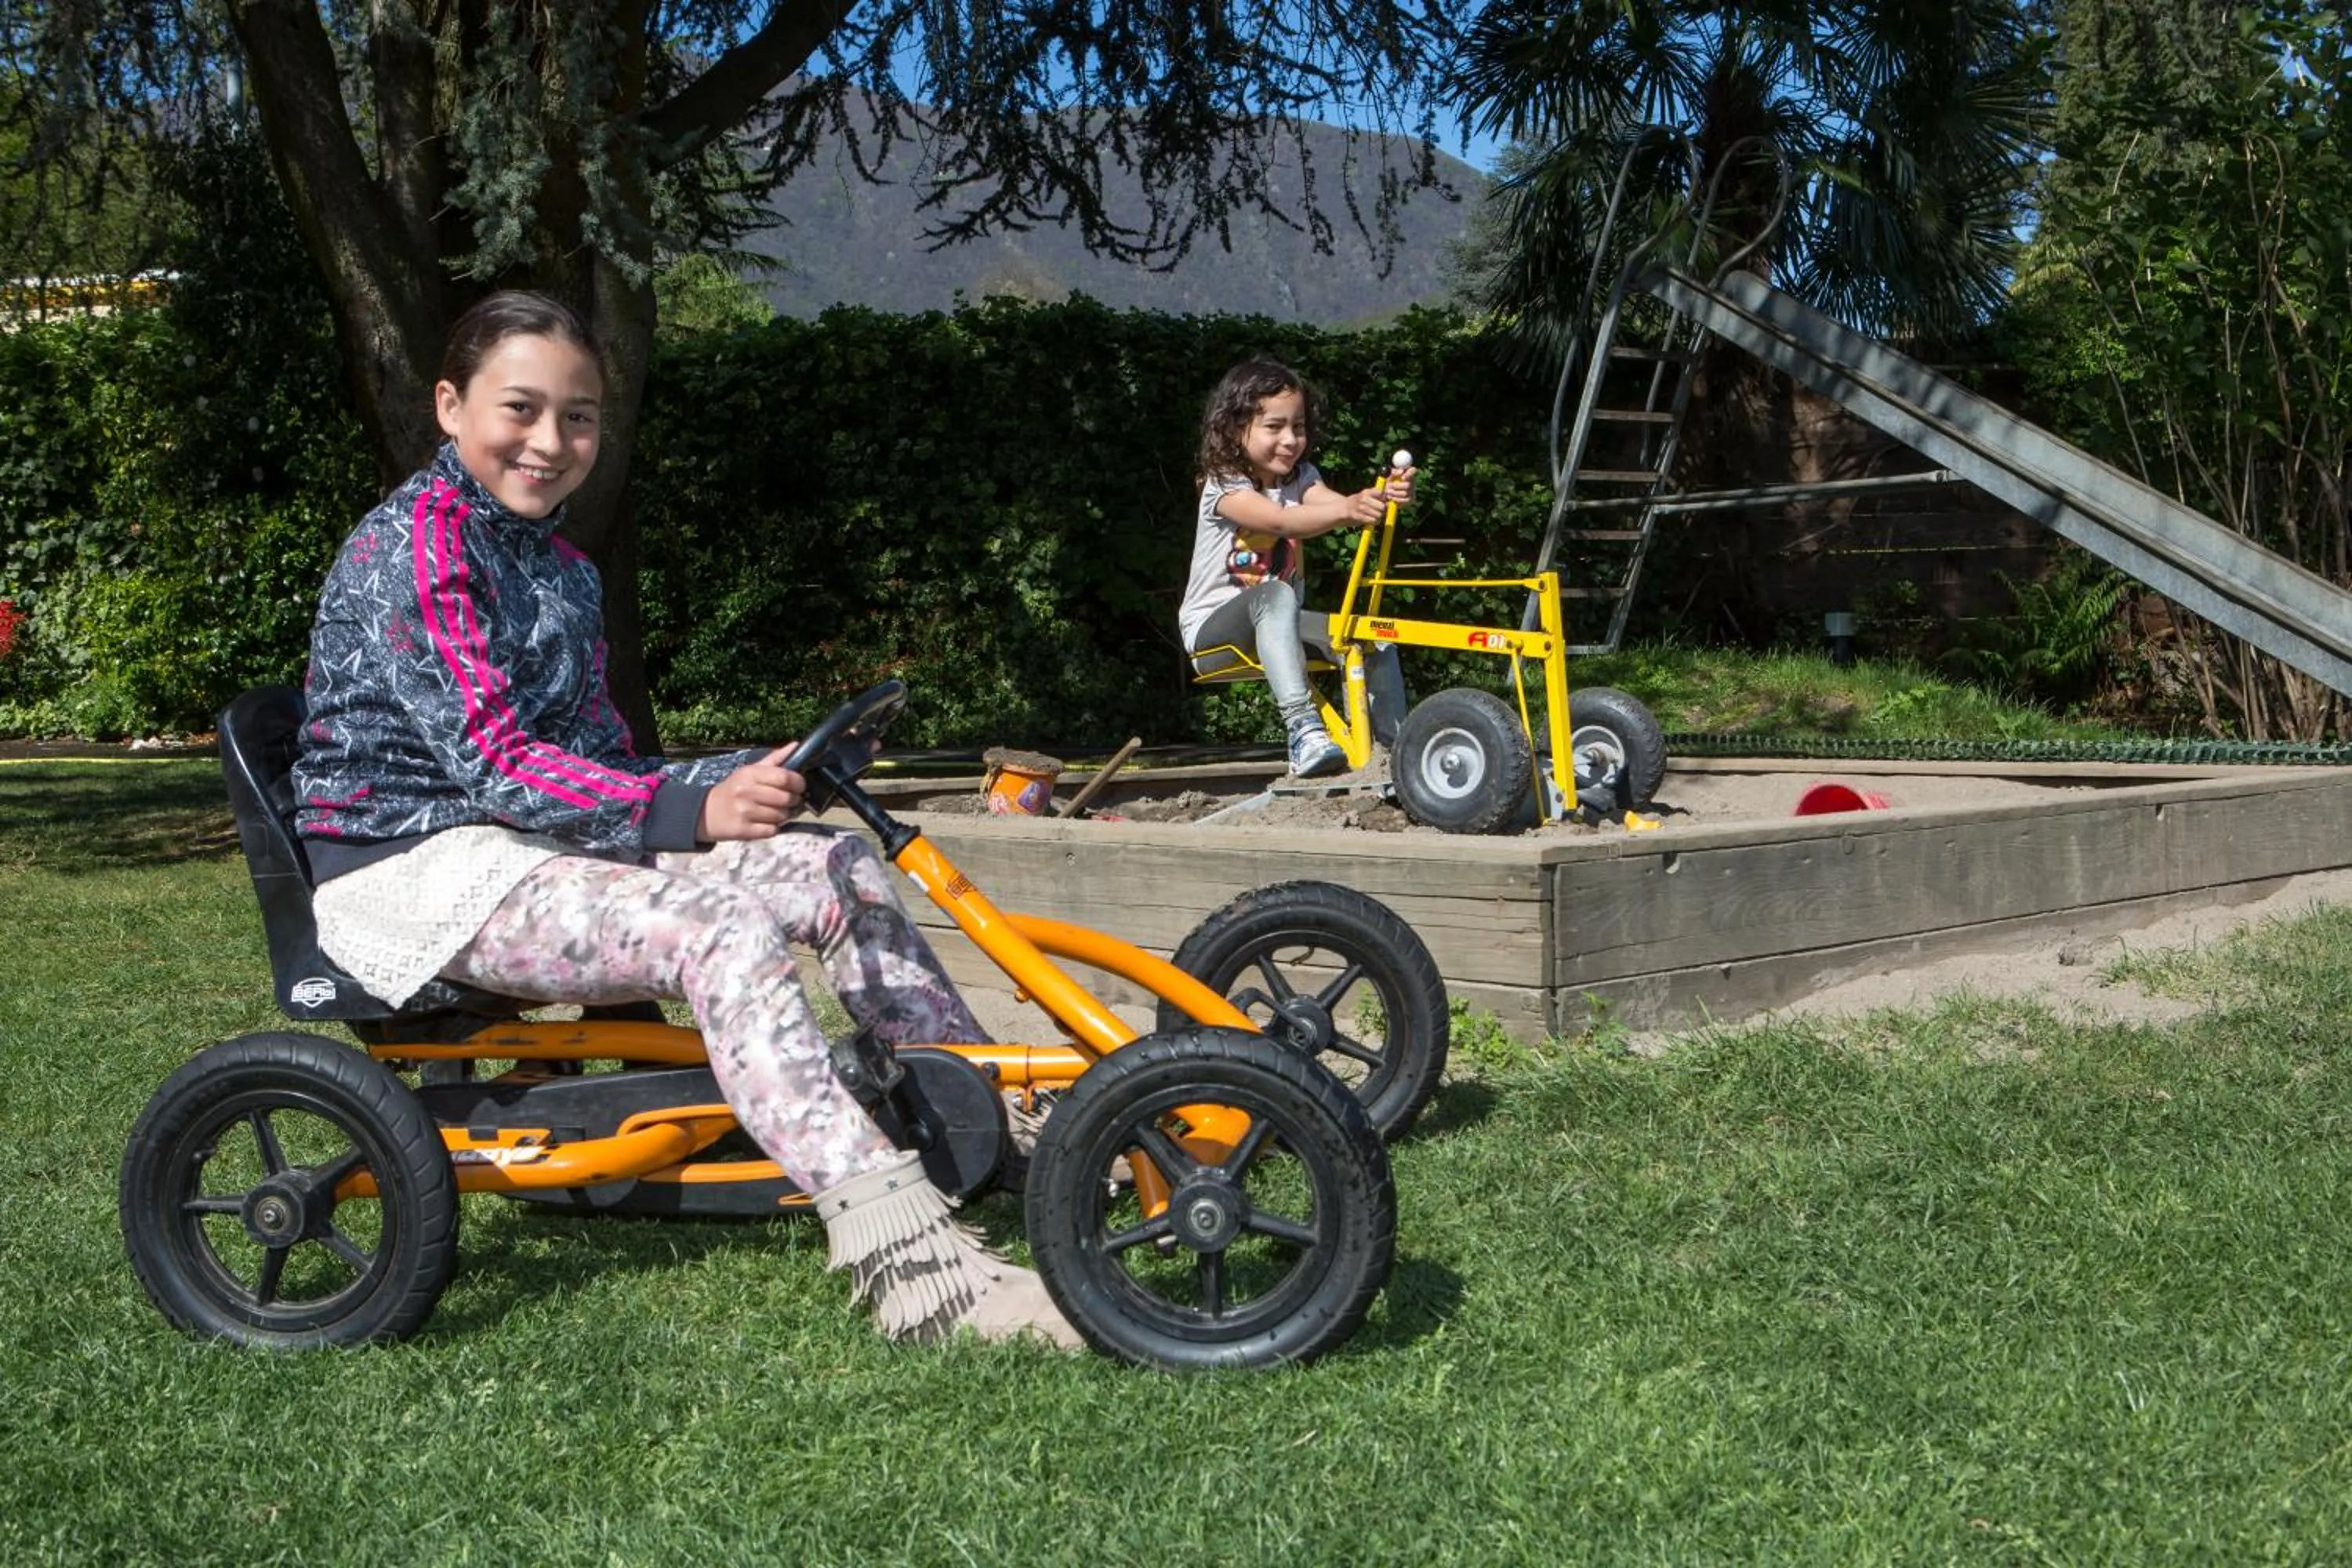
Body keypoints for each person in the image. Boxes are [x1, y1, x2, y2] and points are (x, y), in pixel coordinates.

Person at [291, 289, 1078, 1351]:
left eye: (579, 417)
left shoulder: (560, 567)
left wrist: (747, 774)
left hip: (521, 841)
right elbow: (494, 764)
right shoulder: (415, 554)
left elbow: (602, 766)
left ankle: (989, 1129)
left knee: (827, 870)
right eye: (519, 409)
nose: (551, 440)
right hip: (419, 870)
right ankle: (912, 1270)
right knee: (722, 932)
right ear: (448, 406)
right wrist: (688, 810)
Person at [1176, 358, 1414, 779]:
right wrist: (1348, 509)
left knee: (1375, 640)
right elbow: (1280, 521)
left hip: (1280, 625)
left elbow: (1331, 503)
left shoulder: (1301, 478)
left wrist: (1377, 497)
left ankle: (1395, 755)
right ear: (1235, 428)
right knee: (1274, 594)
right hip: (1214, 632)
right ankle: (1303, 729)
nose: (1290, 439)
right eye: (1274, 427)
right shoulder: (1224, 483)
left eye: (1298, 427)